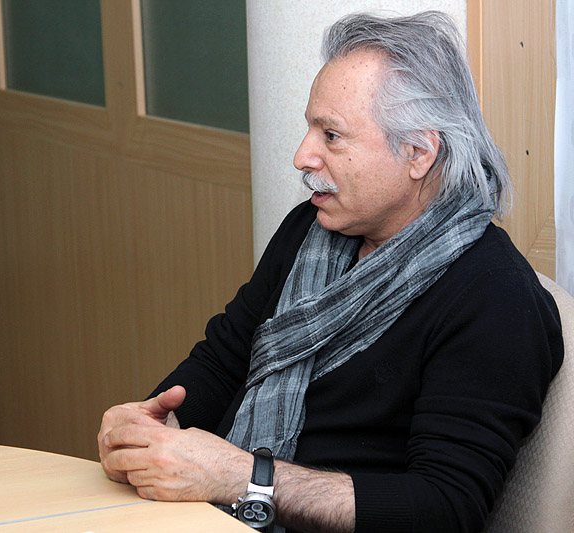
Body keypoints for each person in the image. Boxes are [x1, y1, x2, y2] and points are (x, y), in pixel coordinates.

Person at [97, 11, 564, 533]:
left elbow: (445, 508)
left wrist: (246, 479)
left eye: (332, 135)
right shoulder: (312, 228)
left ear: (418, 153)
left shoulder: (497, 300)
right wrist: (152, 427)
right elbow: (225, 361)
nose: (303, 156)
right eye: (310, 128)